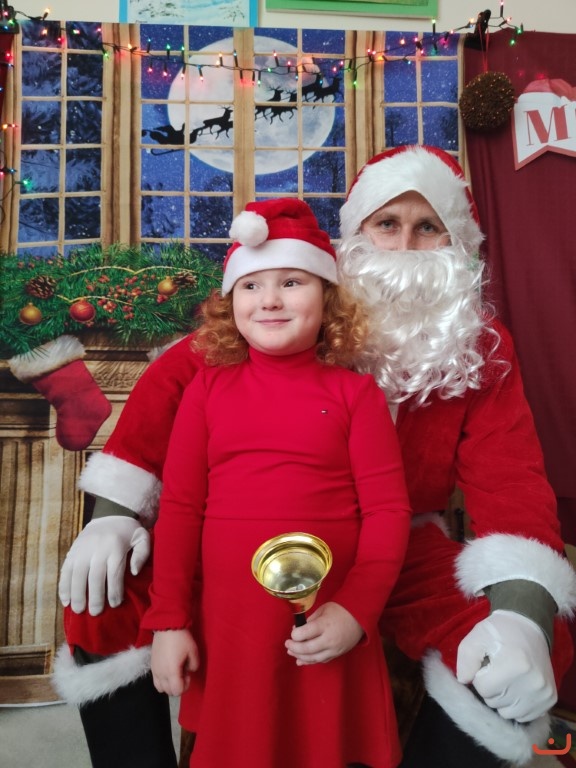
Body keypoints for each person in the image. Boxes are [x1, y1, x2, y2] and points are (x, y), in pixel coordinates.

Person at [54, 145, 576, 768]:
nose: (404, 247)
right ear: (354, 235)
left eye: (427, 228)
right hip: (239, 534)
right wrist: (114, 515)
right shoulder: (294, 305)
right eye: (387, 224)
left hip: (399, 544)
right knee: (103, 592)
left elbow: (511, 480)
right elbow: (167, 395)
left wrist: (521, 614)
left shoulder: (478, 345)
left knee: (518, 642)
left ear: (456, 243)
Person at [140, 197, 412, 768]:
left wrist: (357, 610)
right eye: (251, 285)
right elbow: (181, 508)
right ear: (230, 304)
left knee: (323, 744)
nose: (269, 300)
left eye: (291, 282)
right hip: (232, 622)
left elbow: (387, 513)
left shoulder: (356, 395)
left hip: (329, 615)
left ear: (328, 299)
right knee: (241, 744)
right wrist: (169, 620)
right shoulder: (207, 390)